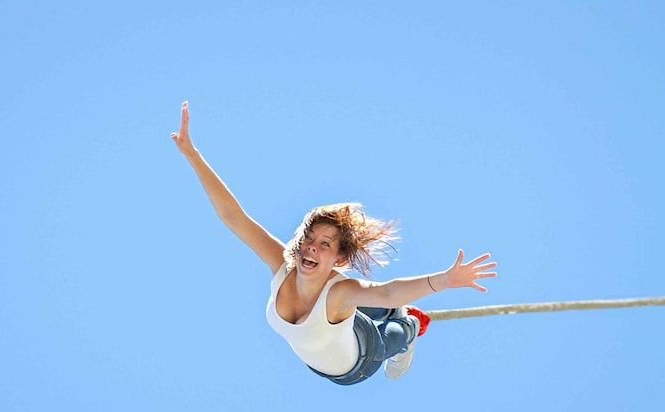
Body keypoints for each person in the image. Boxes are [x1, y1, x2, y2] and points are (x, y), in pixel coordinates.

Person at [171, 102, 496, 385]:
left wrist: (445, 281)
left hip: (362, 358)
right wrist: (192, 154)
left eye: (325, 244)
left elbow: (388, 290)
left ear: (339, 258)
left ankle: (407, 327)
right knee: (362, 302)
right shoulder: (283, 264)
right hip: (334, 341)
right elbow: (233, 217)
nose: (311, 247)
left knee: (394, 319)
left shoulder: (339, 291)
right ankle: (391, 315)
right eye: (308, 239)